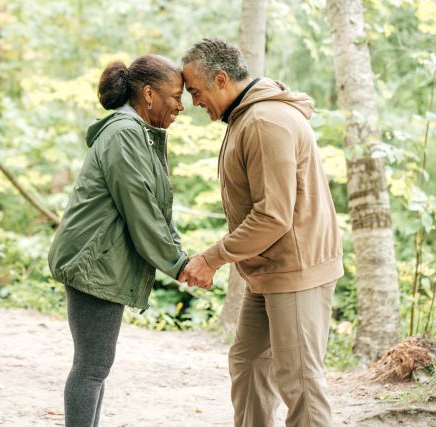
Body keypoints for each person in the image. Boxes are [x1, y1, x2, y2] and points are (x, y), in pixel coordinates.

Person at [179, 38, 344, 426]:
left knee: (300, 383)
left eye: (195, 91)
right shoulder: (245, 117)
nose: (194, 102)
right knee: (249, 361)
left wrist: (211, 258)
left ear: (221, 79)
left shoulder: (265, 122)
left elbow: (273, 216)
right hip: (268, 270)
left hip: (296, 271)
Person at [48, 54, 188, 427]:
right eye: (175, 95)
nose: (181, 104)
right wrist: (180, 264)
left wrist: (182, 257)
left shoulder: (138, 134)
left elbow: (158, 208)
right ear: (148, 94)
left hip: (102, 260)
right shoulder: (126, 133)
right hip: (94, 261)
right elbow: (140, 209)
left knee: (96, 365)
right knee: (92, 365)